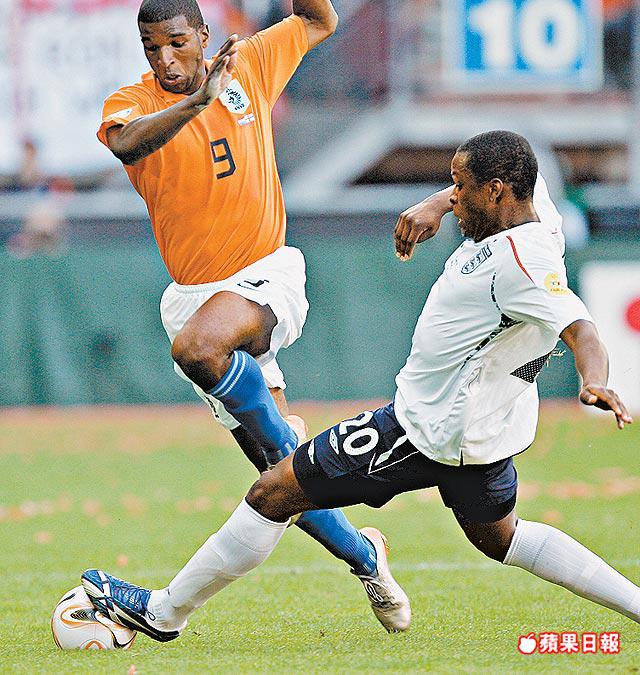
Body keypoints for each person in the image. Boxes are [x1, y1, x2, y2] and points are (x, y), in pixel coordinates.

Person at [83, 131, 638, 641]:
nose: (453, 196)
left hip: (423, 432)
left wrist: (594, 381)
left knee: (273, 493)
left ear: (495, 192)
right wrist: (437, 204)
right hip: (487, 435)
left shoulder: (523, 264)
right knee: (504, 539)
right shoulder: (534, 208)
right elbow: (497, 192)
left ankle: (164, 613)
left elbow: (581, 329)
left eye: (460, 187)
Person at [93, 0, 406, 635]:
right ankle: (366, 556)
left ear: (203, 34)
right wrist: (196, 101)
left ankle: (166, 613)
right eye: (152, 47)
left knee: (199, 348)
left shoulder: (250, 65)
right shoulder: (133, 103)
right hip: (193, 294)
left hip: (266, 275)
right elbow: (128, 144)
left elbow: (319, 18)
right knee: (280, 477)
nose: (165, 57)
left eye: (177, 42)